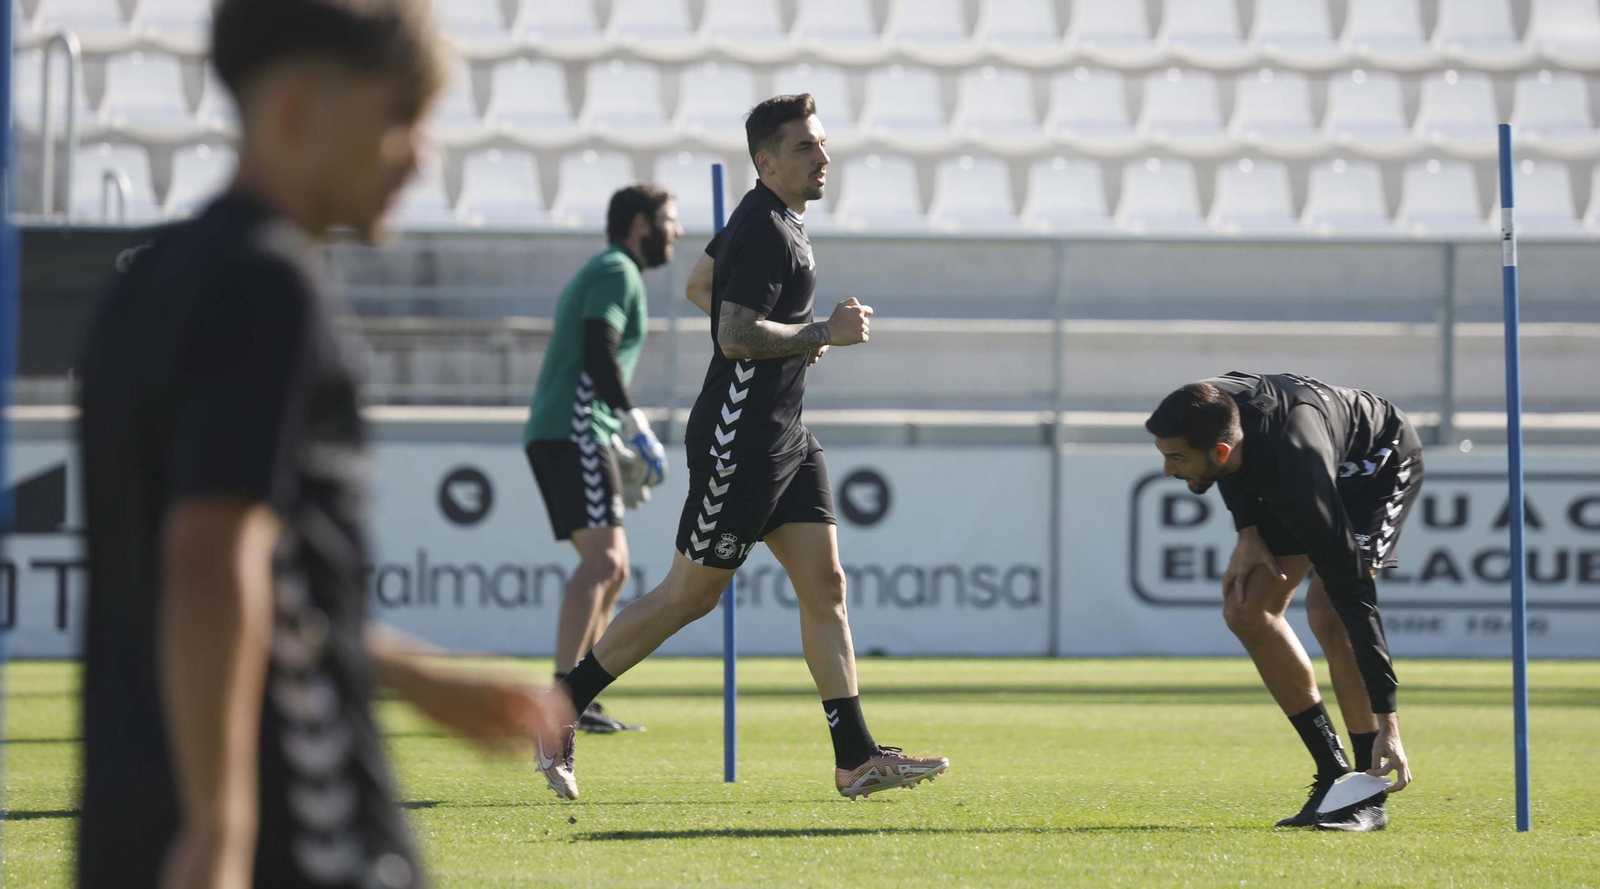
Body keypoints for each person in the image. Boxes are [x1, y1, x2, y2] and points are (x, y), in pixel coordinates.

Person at [75, 2, 570, 887]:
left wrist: (412, 678)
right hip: (297, 830)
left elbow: (256, 577)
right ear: (299, 109)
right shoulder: (273, 287)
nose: (423, 154)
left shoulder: (143, 287)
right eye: (400, 119)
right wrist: (220, 829)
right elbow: (208, 560)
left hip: (125, 824)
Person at [535, 94, 949, 802]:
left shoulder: (774, 217)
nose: (822, 158)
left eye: (821, 144)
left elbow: (703, 286)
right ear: (765, 161)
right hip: (742, 439)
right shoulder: (763, 227)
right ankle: (556, 706)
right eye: (804, 149)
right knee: (687, 596)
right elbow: (732, 333)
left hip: (786, 435)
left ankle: (855, 757)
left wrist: (785, 341)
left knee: (827, 587)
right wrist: (817, 332)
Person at [1145, 372, 1421, 832]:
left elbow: (1357, 602)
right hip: (1300, 458)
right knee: (1247, 607)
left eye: (1176, 458)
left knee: (1330, 611)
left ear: (1219, 452)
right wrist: (1247, 531)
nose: (1168, 471)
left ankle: (1367, 790)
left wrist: (1389, 723)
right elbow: (1233, 459)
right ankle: (1335, 775)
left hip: (1376, 466)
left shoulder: (1297, 471)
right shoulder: (1216, 403)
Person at [523, 184, 682, 734]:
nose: (677, 231)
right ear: (641, 224)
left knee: (612, 568)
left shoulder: (611, 268)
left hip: (577, 428)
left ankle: (578, 695)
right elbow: (599, 348)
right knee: (601, 564)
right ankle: (563, 695)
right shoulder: (618, 270)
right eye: (670, 219)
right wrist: (633, 425)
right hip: (576, 429)